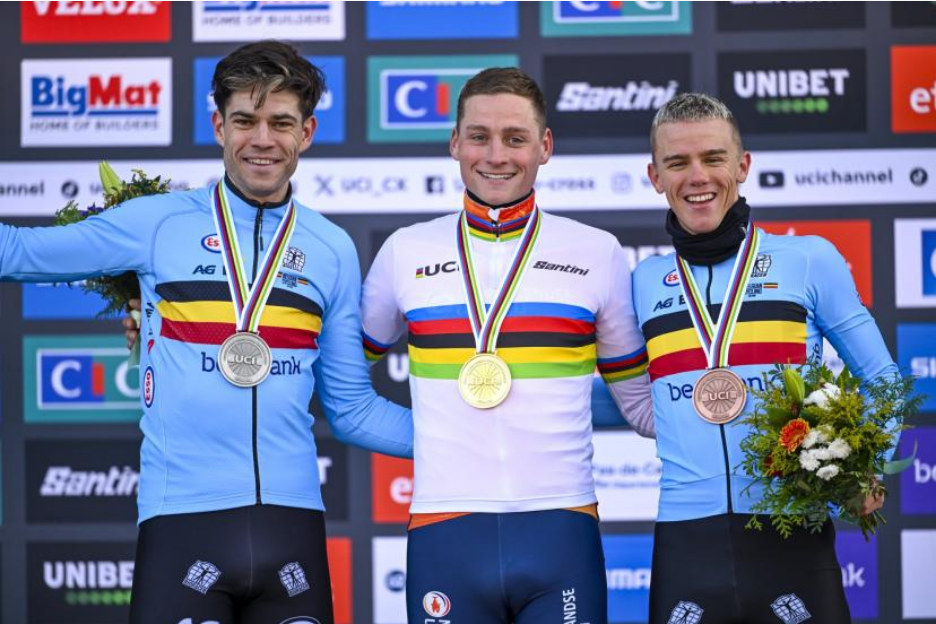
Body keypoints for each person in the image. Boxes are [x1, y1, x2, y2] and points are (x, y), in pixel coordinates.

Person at [0, 41, 413, 624]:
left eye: (281, 123)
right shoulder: (157, 223)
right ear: (219, 126)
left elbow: (351, 410)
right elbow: (18, 252)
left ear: (307, 132)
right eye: (244, 120)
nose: (262, 139)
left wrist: (472, 438)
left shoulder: (332, 248)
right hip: (181, 521)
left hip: (293, 524)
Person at [360, 68, 653, 624]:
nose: (496, 155)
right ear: (454, 142)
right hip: (444, 530)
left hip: (561, 528)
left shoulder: (597, 252)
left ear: (545, 146)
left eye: (515, 138)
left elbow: (639, 404)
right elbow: (342, 385)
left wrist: (746, 420)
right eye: (479, 136)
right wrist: (432, 436)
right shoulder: (405, 251)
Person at [634, 92, 897, 624]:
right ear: (655, 176)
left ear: (743, 165)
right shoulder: (642, 281)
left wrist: (865, 467)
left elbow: (882, 379)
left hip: (791, 532)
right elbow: (630, 394)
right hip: (685, 540)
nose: (697, 176)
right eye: (678, 163)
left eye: (713, 158)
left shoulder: (808, 259)